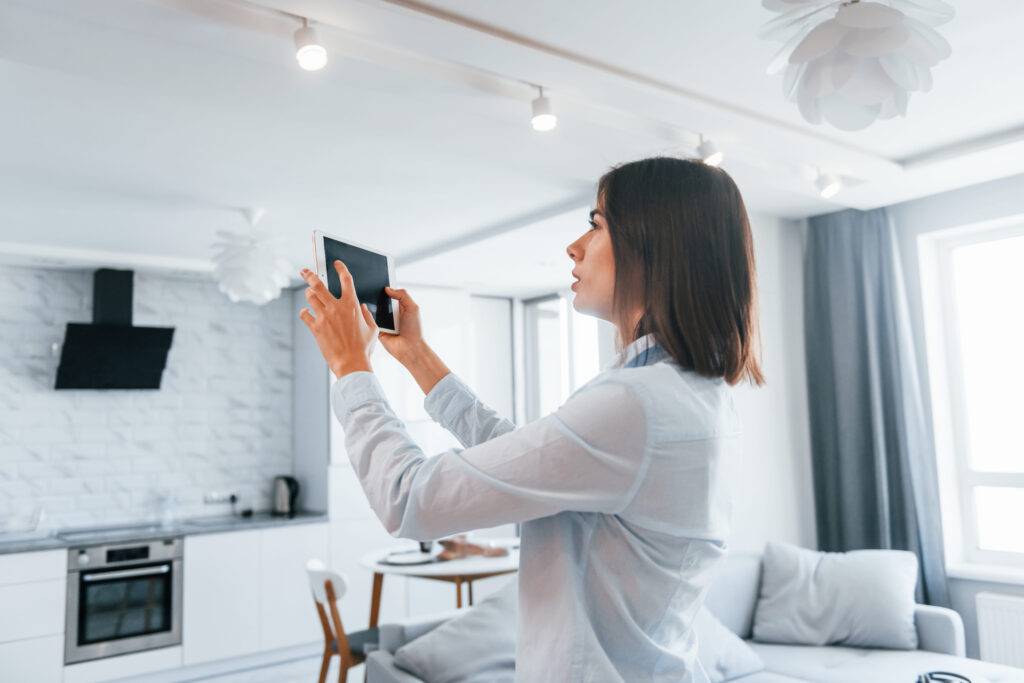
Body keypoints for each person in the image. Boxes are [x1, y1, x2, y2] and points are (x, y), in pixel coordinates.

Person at [298, 156, 763, 682]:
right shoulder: (687, 393)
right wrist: (418, 358)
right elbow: (531, 457)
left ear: (653, 244)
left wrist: (350, 368)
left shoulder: (636, 406)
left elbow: (408, 499)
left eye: (596, 224)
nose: (575, 246)